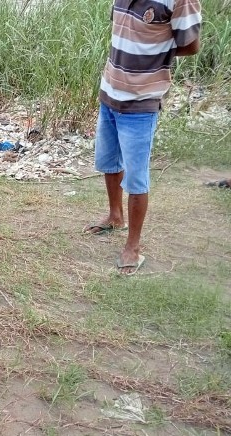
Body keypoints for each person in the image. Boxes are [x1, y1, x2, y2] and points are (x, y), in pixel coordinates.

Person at [84, 0, 202, 275]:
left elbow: (191, 44)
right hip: (110, 90)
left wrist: (155, 57)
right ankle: (115, 216)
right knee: (109, 161)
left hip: (142, 101)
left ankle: (133, 248)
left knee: (136, 178)